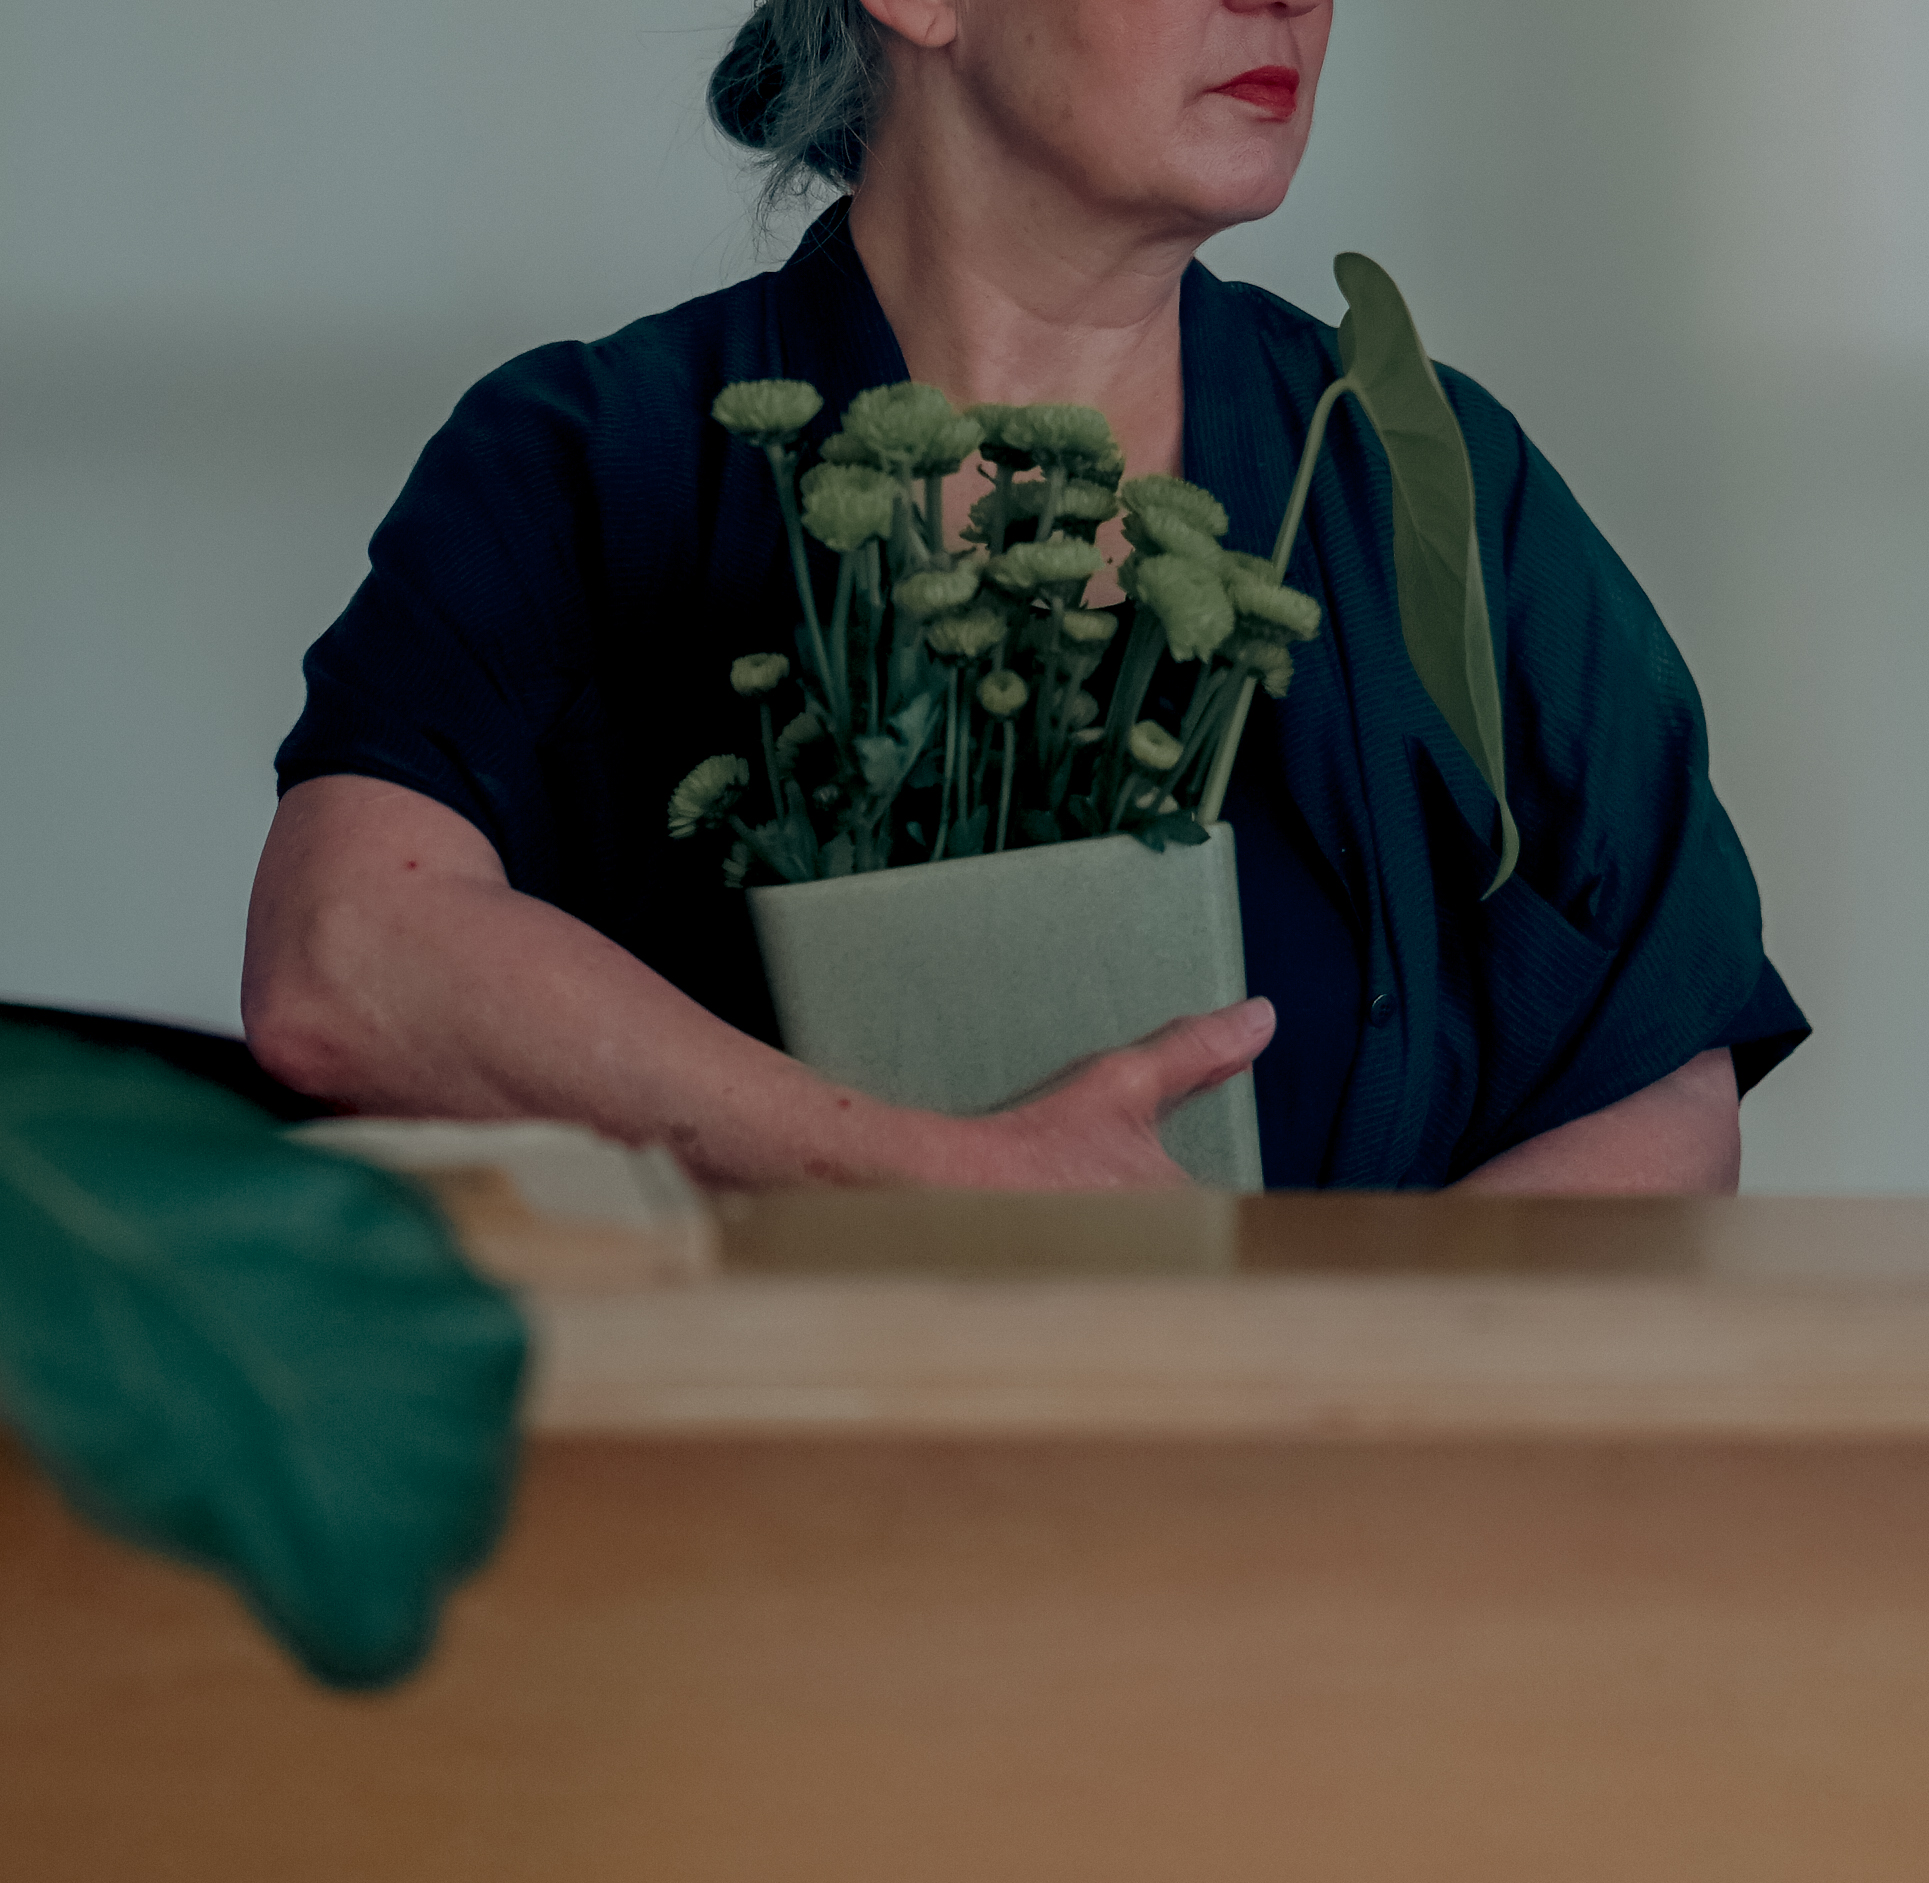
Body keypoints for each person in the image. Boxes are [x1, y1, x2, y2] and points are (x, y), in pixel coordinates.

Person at [244, 0, 1807, 1192]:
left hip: (1349, 1561)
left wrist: (1300, 1405)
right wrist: (941, 1174)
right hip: (765, 1558)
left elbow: (1664, 1074)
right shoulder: (593, 461)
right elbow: (342, 957)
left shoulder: (1423, 476)